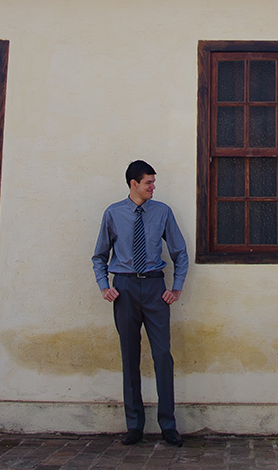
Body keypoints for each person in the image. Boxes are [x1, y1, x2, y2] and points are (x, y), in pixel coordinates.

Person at [93, 160, 189, 447]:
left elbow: (179, 253)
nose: (153, 187)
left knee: (162, 356)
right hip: (123, 289)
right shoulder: (113, 213)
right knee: (130, 357)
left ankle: (168, 425)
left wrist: (176, 288)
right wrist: (103, 286)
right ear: (133, 184)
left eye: (153, 182)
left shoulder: (162, 212)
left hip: (154, 287)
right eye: (148, 182)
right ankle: (134, 425)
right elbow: (99, 255)